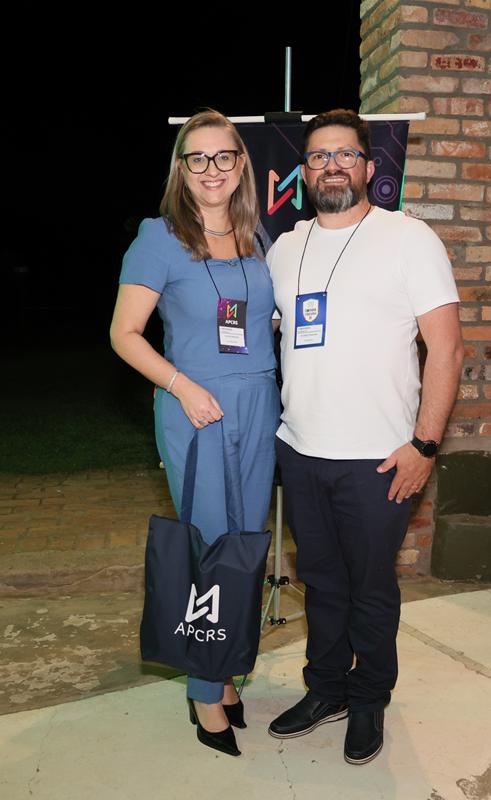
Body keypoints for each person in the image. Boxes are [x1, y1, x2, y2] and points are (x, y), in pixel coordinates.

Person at [267, 109, 464, 765]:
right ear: (302, 172)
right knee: (320, 581)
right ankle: (325, 688)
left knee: (370, 588)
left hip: (379, 460)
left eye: (345, 155)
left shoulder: (407, 238)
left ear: (370, 167)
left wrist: (425, 445)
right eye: (319, 156)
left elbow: (446, 349)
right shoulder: (284, 247)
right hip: (300, 451)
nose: (332, 166)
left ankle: (370, 697)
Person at [110, 109, 280, 758]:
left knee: (245, 542)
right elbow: (124, 334)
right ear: (181, 169)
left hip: (258, 405)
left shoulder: (255, 235)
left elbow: (260, 322)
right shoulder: (159, 238)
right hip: (197, 410)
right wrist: (182, 386)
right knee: (209, 543)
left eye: (223, 156)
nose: (212, 169)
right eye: (198, 158)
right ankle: (205, 690)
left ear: (241, 164)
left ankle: (226, 668)